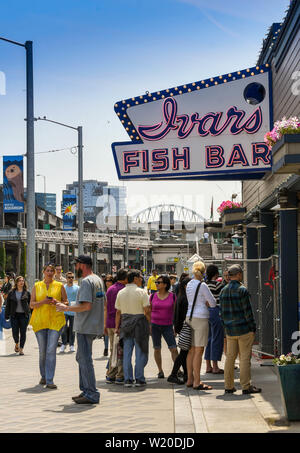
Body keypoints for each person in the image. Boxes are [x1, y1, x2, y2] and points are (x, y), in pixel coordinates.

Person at [56, 255, 105, 404]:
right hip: (93, 324)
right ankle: (86, 390)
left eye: (76, 265)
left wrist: (66, 307)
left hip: (85, 325)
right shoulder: (97, 280)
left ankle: (91, 393)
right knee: (81, 358)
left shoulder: (86, 282)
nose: (75, 268)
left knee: (84, 359)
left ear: (82, 265)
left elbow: (86, 305)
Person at [220, 264, 261, 395]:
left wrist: (226, 327)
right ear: (238, 275)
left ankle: (228, 385)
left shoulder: (223, 290)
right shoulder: (242, 290)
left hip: (230, 330)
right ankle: (245, 386)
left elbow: (221, 313)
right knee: (244, 358)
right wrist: (253, 327)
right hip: (244, 329)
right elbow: (248, 312)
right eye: (241, 273)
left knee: (230, 358)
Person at [30, 264, 68, 389]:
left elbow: (66, 302)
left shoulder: (59, 285)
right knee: (43, 351)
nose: (50, 272)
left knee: (51, 349)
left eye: (52, 270)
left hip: (55, 321)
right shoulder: (37, 286)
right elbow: (32, 304)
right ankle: (44, 376)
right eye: (48, 270)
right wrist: (43, 302)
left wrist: (57, 302)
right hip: (40, 321)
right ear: (43, 272)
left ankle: (50, 380)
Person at [115, 269, 151, 387]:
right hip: (140, 324)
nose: (141, 279)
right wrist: (150, 324)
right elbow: (146, 311)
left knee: (127, 352)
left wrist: (117, 327)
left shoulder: (121, 292)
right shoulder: (142, 292)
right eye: (140, 277)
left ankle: (128, 379)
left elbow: (118, 312)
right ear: (135, 279)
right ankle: (139, 378)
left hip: (125, 324)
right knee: (140, 352)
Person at [185, 261, 216, 390]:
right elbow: (213, 303)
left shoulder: (189, 284)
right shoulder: (202, 285)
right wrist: (207, 304)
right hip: (201, 317)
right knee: (199, 350)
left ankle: (190, 379)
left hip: (189, 316)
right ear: (203, 272)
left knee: (191, 350)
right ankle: (197, 382)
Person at [150, 274, 178, 379]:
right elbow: (149, 310)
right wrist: (149, 325)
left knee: (174, 349)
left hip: (168, 326)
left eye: (158, 282)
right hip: (155, 326)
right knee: (157, 348)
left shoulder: (173, 296)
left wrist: (175, 326)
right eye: (156, 282)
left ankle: (177, 369)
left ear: (165, 284)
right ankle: (160, 370)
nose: (156, 284)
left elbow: (175, 313)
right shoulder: (153, 296)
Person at [105, 268, 128, 384]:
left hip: (109, 323)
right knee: (120, 350)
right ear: (125, 278)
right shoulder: (123, 290)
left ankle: (111, 374)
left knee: (113, 349)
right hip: (119, 323)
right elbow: (120, 310)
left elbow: (106, 307)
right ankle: (119, 374)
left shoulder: (110, 289)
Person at [167, 276, 191, 384]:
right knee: (183, 353)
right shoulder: (185, 298)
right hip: (185, 328)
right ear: (186, 286)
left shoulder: (181, 296)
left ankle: (186, 375)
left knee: (184, 353)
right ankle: (173, 374)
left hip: (181, 328)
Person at [204, 264, 225, 374]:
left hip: (206, 313)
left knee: (209, 339)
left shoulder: (205, 285)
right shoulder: (218, 285)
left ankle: (208, 366)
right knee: (216, 339)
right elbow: (222, 300)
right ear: (216, 274)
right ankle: (215, 366)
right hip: (216, 312)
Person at [5, 276, 31, 355]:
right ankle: (16, 343)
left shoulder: (27, 293)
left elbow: (30, 304)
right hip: (14, 315)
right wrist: (6, 315)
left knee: (23, 332)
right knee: (15, 332)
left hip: (24, 316)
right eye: (20, 281)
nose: (21, 282)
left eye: (22, 281)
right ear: (16, 282)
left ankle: (21, 348)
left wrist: (32, 314)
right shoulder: (11, 293)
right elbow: (8, 305)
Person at [60, 271, 79, 353]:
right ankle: (64, 344)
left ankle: (71, 344)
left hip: (73, 311)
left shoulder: (77, 288)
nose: (71, 279)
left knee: (72, 329)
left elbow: (79, 299)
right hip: (64, 311)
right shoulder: (63, 287)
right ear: (66, 279)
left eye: (72, 277)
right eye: (69, 277)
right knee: (63, 328)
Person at [103, 274, 114, 356]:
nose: (107, 282)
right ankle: (106, 348)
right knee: (105, 333)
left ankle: (108, 348)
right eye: (106, 281)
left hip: (111, 315)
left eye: (109, 281)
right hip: (104, 314)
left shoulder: (113, 291)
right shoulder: (103, 292)